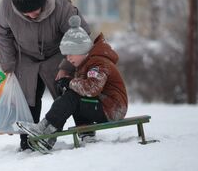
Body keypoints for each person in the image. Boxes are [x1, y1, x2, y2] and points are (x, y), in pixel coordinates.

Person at [0, 0, 90, 151]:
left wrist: (67, 66)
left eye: (34, 11)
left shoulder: (61, 6)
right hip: (26, 57)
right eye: (26, 13)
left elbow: (80, 35)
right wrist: (8, 65)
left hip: (57, 54)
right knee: (27, 97)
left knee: (70, 90)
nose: (31, 16)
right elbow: (2, 32)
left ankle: (85, 130)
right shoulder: (7, 6)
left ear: (43, 1)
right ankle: (28, 142)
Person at [17, 15, 128, 150]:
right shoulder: (86, 64)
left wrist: (69, 82)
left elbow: (92, 88)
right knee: (72, 94)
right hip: (104, 105)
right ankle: (58, 132)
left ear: (81, 50)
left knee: (73, 97)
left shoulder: (98, 63)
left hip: (113, 108)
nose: (68, 59)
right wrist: (67, 84)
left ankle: (46, 131)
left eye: (70, 54)